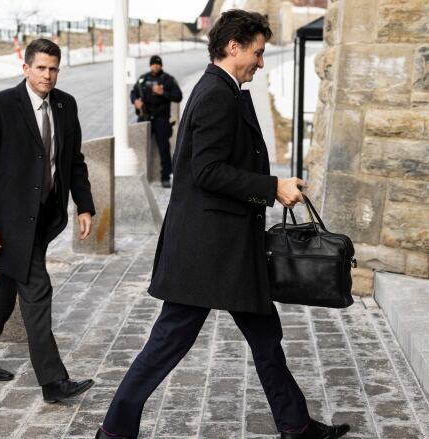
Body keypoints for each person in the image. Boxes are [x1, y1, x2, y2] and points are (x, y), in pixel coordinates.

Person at [96, 10, 350, 439]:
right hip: (208, 253)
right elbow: (207, 172)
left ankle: (297, 425)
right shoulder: (216, 93)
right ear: (233, 47)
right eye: (258, 52)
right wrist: (272, 188)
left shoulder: (222, 89)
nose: (261, 62)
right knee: (167, 344)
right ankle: (115, 432)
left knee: (267, 338)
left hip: (227, 251)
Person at [0, 38, 96, 403]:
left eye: (54, 68)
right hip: (7, 223)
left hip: (44, 218)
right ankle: (53, 382)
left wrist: (84, 205)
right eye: (41, 68)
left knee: (8, 287)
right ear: (26, 68)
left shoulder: (66, 105)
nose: (48, 75)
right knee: (38, 292)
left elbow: (74, 161)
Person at [130, 54, 182, 188]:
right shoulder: (143, 79)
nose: (156, 66)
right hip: (145, 117)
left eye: (158, 64)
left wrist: (162, 92)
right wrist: (135, 101)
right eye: (153, 64)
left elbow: (178, 96)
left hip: (161, 118)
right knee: (139, 146)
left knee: (164, 148)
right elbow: (133, 92)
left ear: (161, 65)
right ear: (150, 65)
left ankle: (165, 177)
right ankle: (139, 176)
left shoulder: (167, 80)